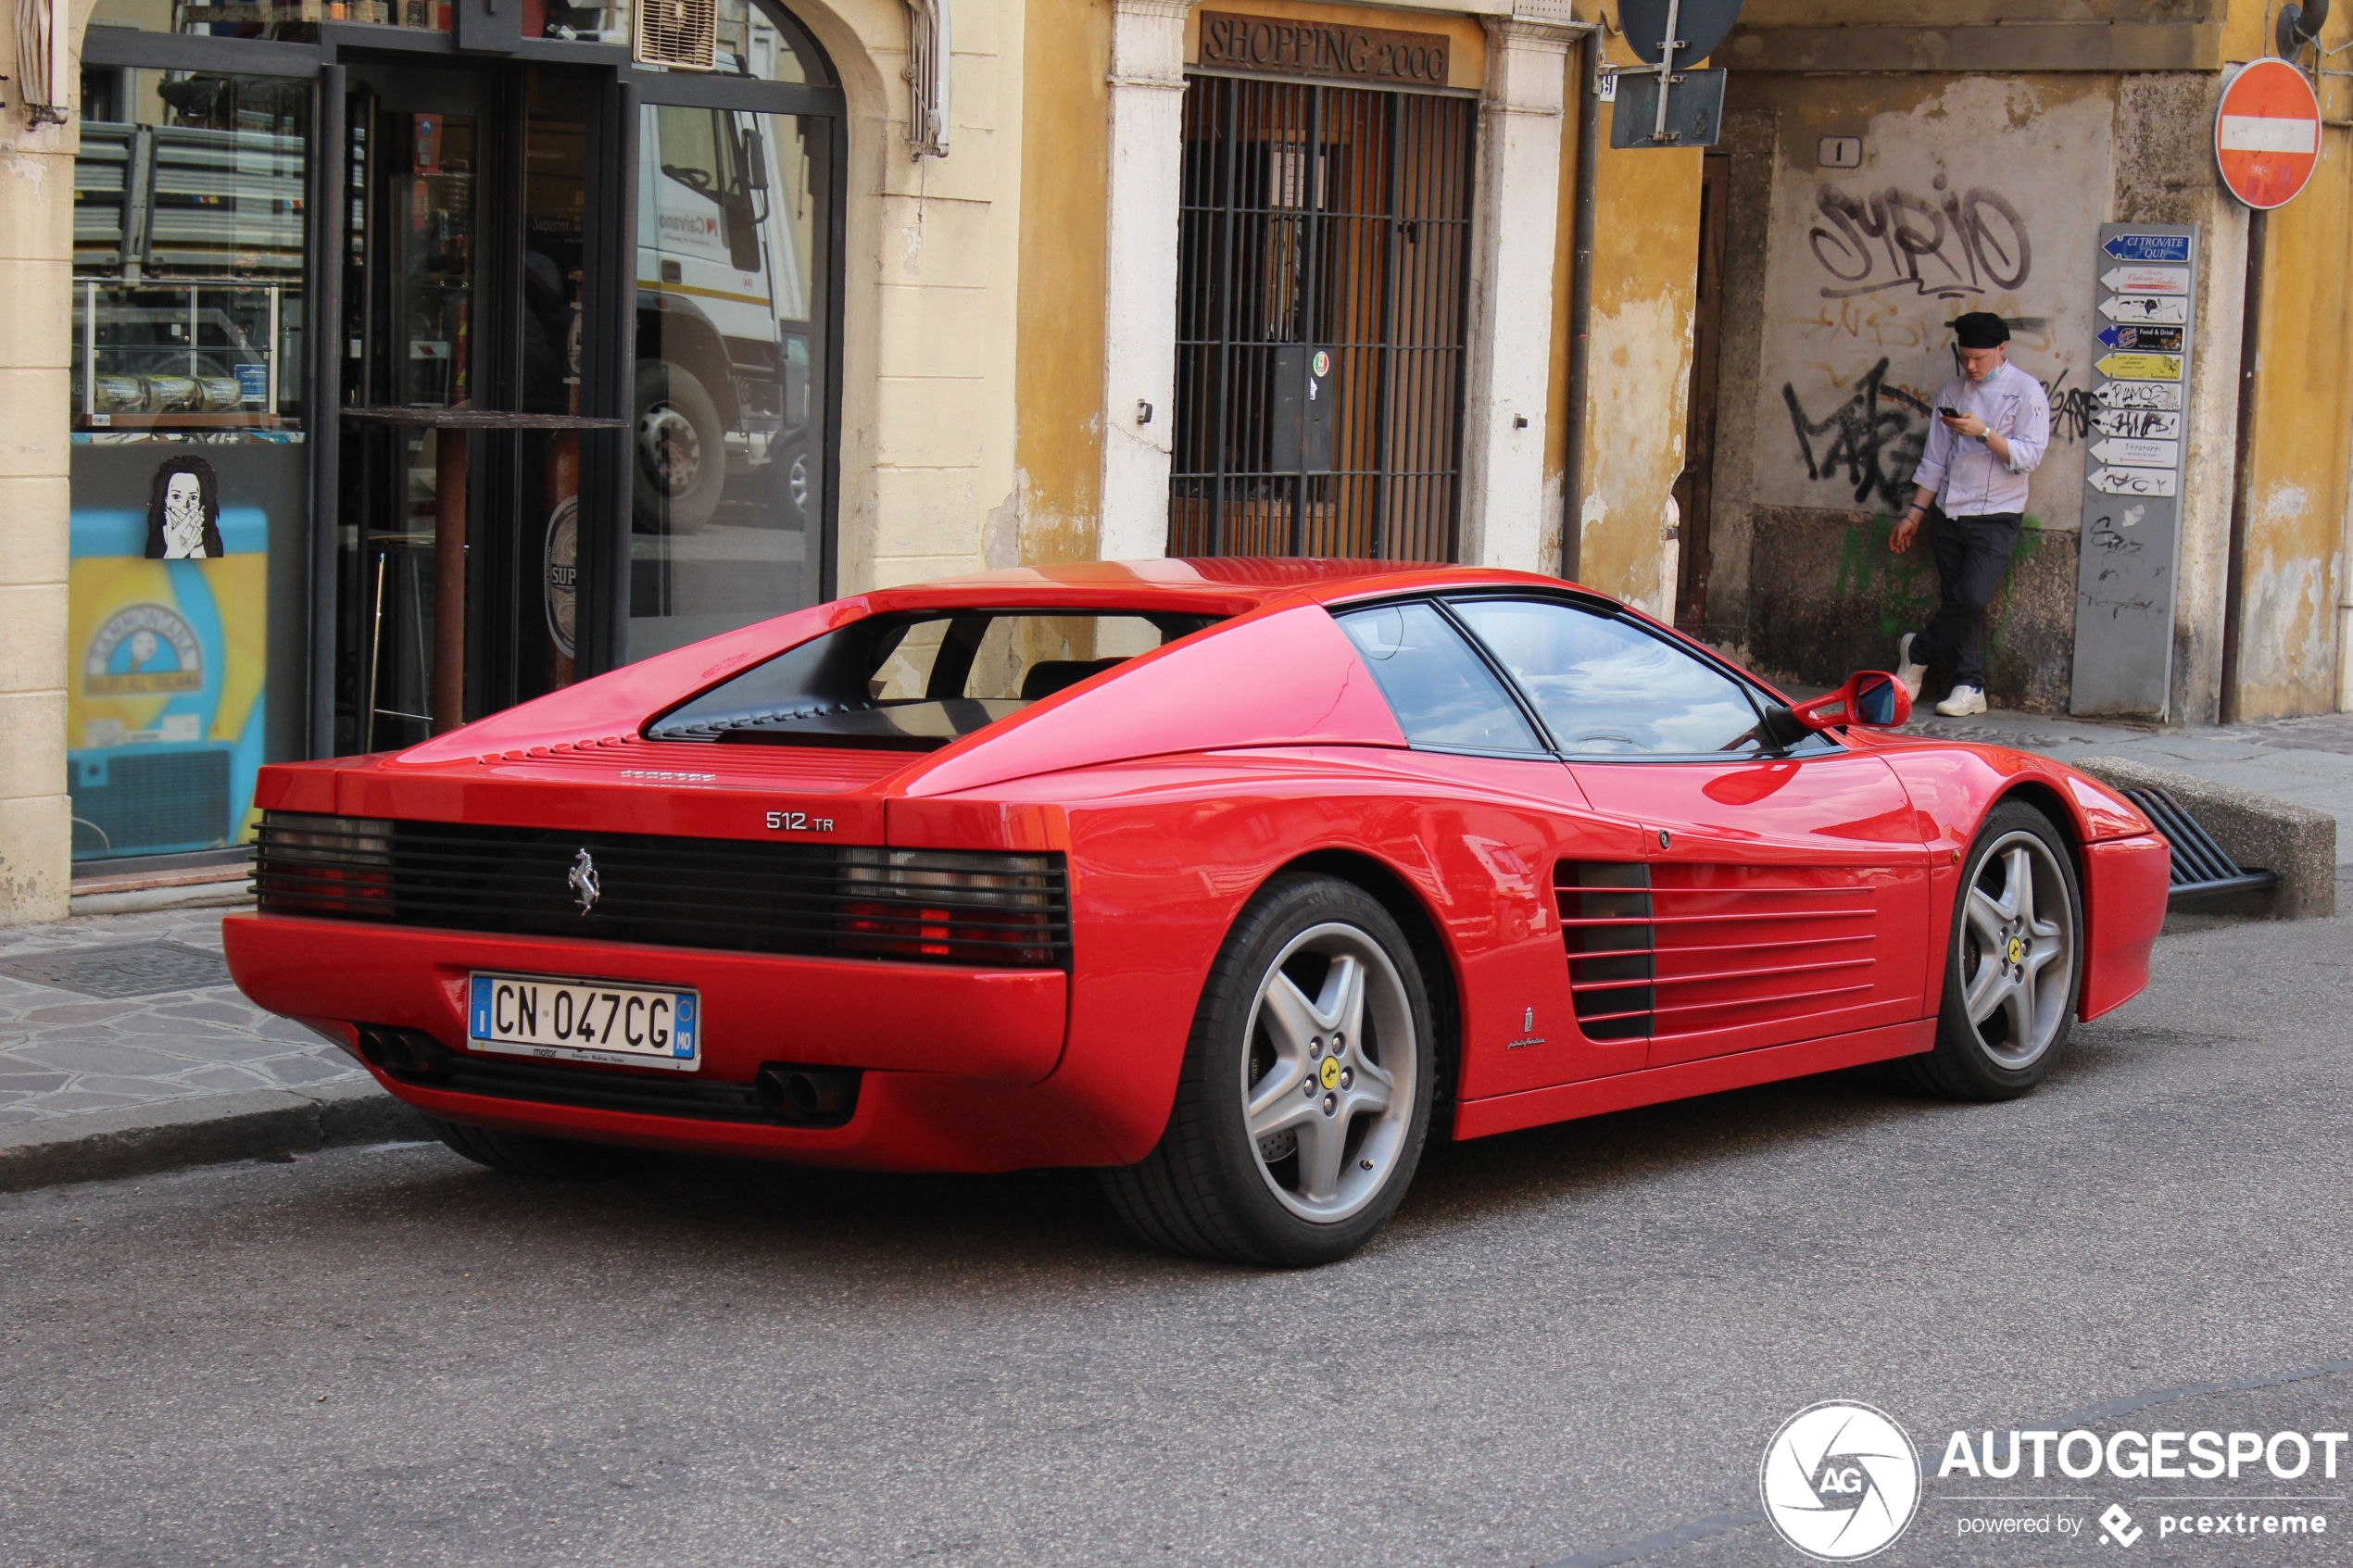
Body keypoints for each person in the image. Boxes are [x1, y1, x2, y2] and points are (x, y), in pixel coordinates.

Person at [1889, 312, 2050, 717]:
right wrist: (1915, 515)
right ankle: (1969, 684)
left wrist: (1983, 433)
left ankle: (1918, 651)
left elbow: (2029, 456)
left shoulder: (2026, 392)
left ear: (2001, 350)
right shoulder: (1953, 390)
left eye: (1979, 357)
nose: (1972, 366)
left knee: (1973, 595)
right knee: (1961, 602)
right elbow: (1935, 459)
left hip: (1997, 514)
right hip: (1949, 511)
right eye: (1965, 358)